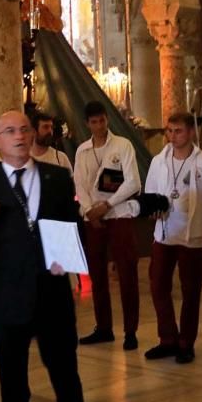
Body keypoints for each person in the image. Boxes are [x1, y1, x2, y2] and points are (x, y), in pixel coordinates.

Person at [0, 110, 99, 402]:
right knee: (13, 388)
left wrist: (68, 259)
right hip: (9, 301)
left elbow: (73, 226)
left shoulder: (57, 177)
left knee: (67, 379)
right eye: (10, 131)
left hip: (52, 296)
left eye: (24, 129)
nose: (20, 136)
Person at [142, 112, 202, 364]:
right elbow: (150, 192)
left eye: (178, 131)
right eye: (169, 131)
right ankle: (168, 339)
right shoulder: (158, 161)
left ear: (191, 133)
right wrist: (151, 209)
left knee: (191, 290)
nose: (172, 136)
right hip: (164, 233)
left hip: (192, 234)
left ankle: (186, 342)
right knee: (158, 286)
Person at [73, 100, 142, 350]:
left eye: (102, 120)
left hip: (119, 215)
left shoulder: (122, 145)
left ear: (107, 120)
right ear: (87, 123)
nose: (99, 125)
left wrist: (108, 205)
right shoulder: (82, 151)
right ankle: (103, 327)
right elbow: (80, 184)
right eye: (94, 122)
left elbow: (133, 182)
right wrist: (89, 210)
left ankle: (130, 330)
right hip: (94, 219)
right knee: (97, 275)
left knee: (127, 273)